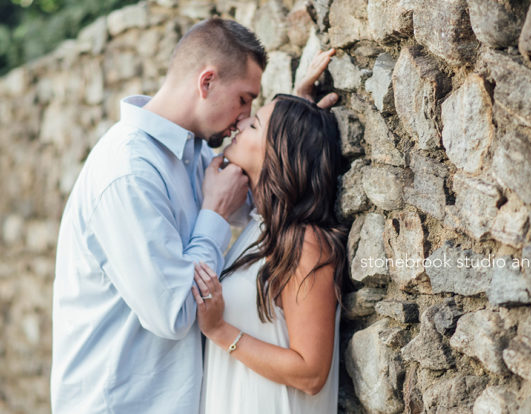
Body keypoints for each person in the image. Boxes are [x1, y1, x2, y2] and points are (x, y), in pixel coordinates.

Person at [50, 18, 267, 413]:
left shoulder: (194, 153)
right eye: (244, 99)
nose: (243, 116)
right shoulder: (128, 171)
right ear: (207, 83)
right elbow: (176, 312)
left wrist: (291, 130)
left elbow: (258, 204)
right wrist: (214, 213)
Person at [192, 91, 349, 413]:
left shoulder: (305, 244)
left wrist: (219, 331)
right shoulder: (259, 228)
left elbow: (311, 372)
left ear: (280, 152)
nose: (241, 123)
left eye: (255, 125)